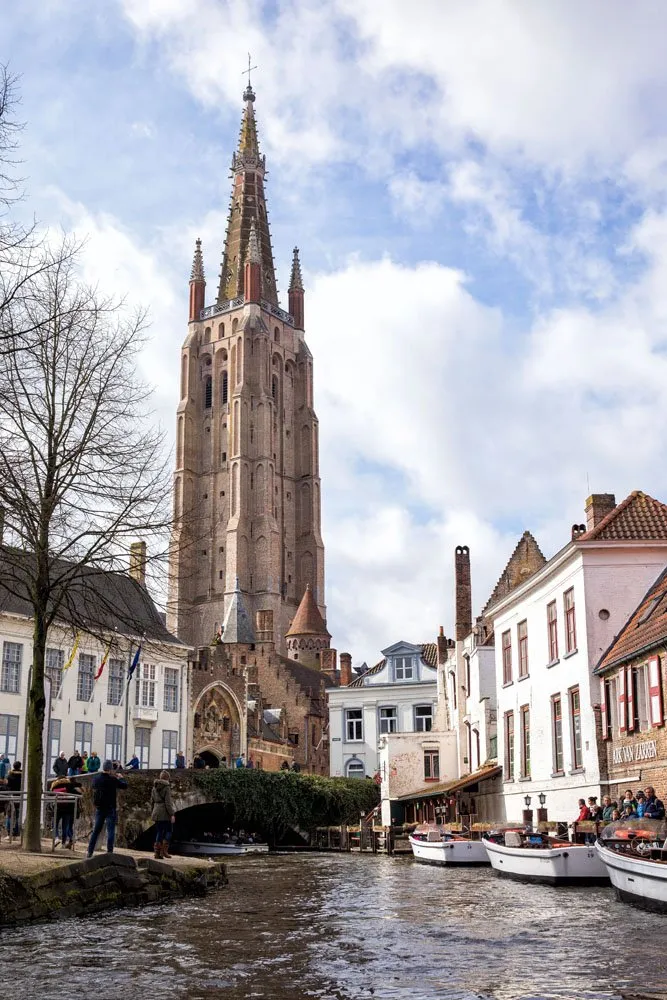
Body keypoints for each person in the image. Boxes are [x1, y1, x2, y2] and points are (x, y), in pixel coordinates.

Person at [87, 760, 128, 857]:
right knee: (110, 831)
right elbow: (124, 786)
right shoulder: (113, 780)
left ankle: (90, 851)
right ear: (110, 769)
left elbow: (93, 786)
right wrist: (121, 778)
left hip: (100, 808)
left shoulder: (96, 779)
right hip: (110, 808)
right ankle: (109, 852)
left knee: (96, 831)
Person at [151, 770, 176, 859]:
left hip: (156, 811)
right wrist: (172, 814)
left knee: (159, 832)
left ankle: (157, 853)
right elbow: (168, 803)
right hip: (165, 812)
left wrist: (152, 812)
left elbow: (152, 801)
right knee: (169, 831)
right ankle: (164, 851)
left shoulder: (154, 787)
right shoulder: (167, 787)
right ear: (167, 778)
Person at [51, 776, 82, 848]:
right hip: (68, 810)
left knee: (55, 824)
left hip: (58, 808)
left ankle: (56, 838)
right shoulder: (69, 785)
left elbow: (50, 794)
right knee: (65, 827)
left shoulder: (55, 785)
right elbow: (79, 793)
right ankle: (63, 844)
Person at [5, 762, 22, 836]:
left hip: (11, 796)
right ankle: (16, 831)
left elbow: (7, 787)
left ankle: (9, 831)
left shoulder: (9, 776)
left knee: (10, 814)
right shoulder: (22, 776)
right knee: (18, 815)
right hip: (20, 796)